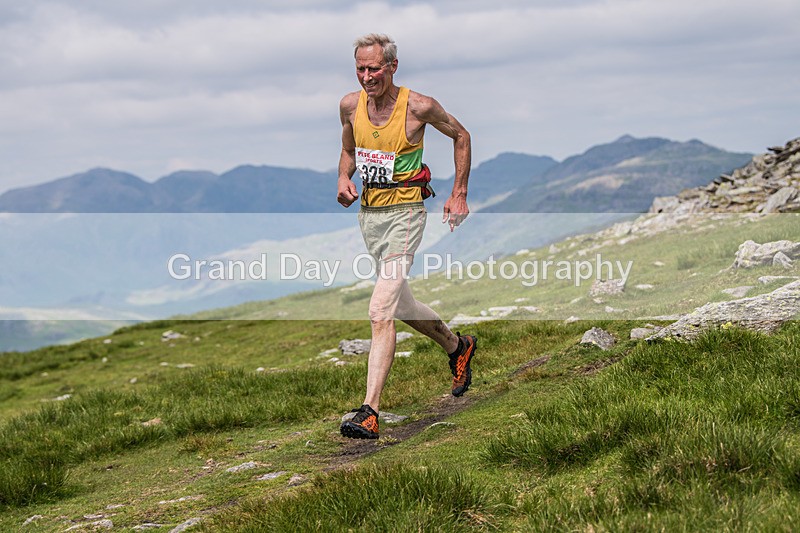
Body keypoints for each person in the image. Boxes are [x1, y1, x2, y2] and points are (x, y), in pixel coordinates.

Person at [336, 33, 477, 440]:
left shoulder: (419, 106)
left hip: (406, 214)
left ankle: (369, 412)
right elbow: (349, 149)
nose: (367, 77)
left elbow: (462, 136)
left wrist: (459, 193)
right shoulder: (350, 106)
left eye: (374, 69)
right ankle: (458, 346)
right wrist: (344, 178)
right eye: (360, 69)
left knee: (380, 310)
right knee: (401, 304)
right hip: (371, 215)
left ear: (392, 67)